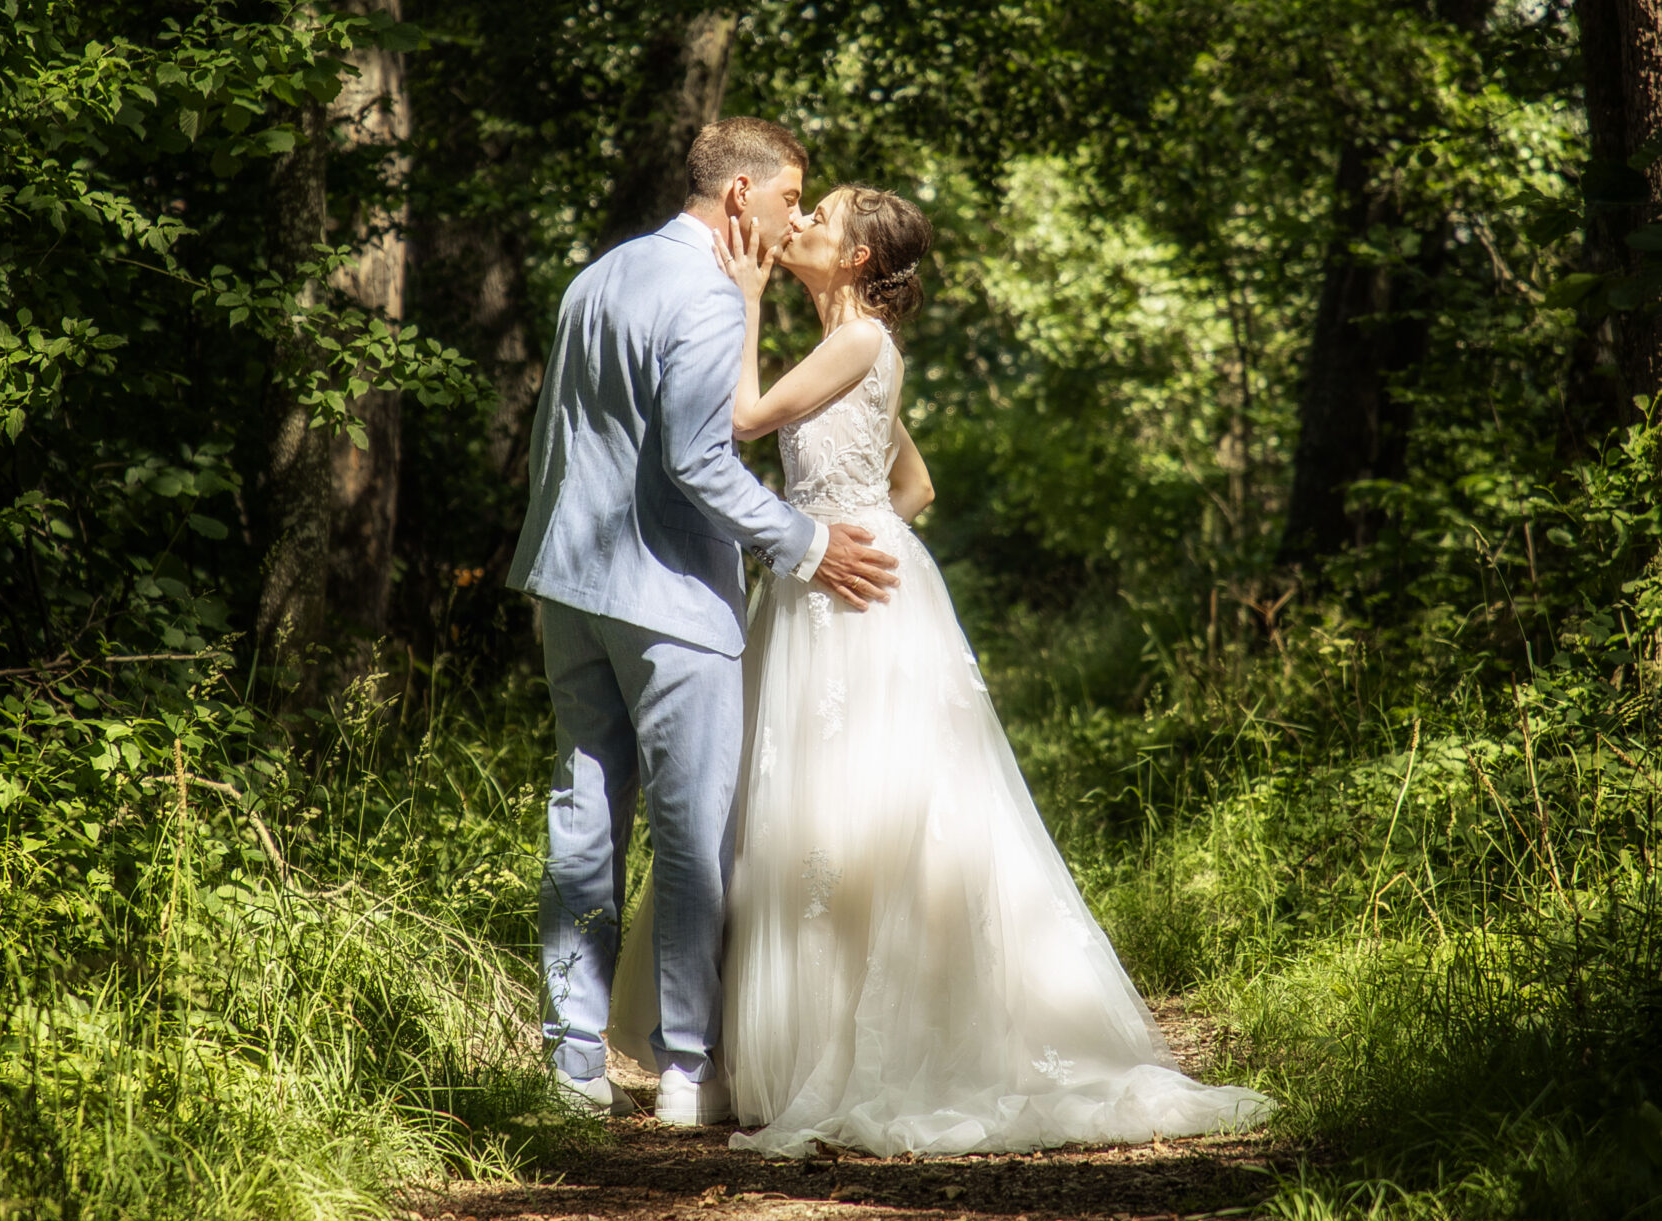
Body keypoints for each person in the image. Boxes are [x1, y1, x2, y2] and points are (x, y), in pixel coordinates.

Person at [613, 181, 1269, 1154]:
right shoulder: (856, 349)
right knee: (811, 810)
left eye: (821, 219)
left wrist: (745, 296)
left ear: (857, 259)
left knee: (852, 804)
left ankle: (845, 1051)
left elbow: (744, 418)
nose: (802, 224)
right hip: (834, 579)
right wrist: (861, 523)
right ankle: (788, 1051)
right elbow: (913, 482)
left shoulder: (858, 340)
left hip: (847, 596)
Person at [507, 119, 899, 1128]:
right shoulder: (710, 293)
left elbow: (562, 434)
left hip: (569, 585)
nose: (791, 218)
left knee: (583, 813)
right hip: (671, 597)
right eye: (787, 198)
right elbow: (698, 459)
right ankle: (686, 1066)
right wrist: (805, 544)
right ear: (739, 197)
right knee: (692, 829)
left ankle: (571, 1060)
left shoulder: (597, 277)